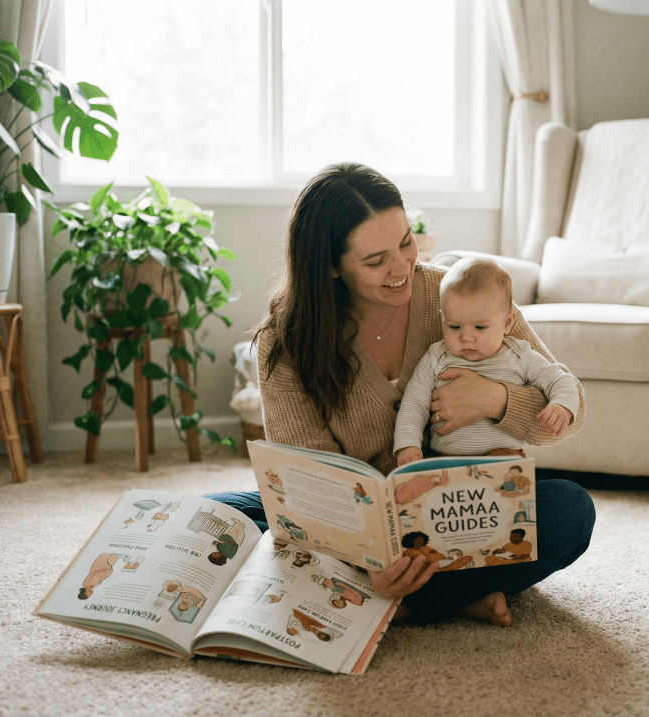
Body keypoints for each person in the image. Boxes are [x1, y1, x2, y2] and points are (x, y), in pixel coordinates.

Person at [205, 162, 595, 627]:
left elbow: (569, 412)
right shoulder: (286, 338)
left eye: (406, 242)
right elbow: (306, 477)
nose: (402, 267)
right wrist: (368, 562)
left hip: (463, 511)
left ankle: (398, 604)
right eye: (375, 261)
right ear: (329, 265)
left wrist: (497, 401)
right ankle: (436, 598)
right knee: (208, 517)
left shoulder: (455, 297)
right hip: (354, 522)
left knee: (570, 511)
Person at [393, 256, 579, 466]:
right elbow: (413, 404)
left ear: (507, 323)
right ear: (442, 319)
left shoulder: (520, 355)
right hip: (446, 458)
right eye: (454, 326)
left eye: (480, 328)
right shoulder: (436, 356)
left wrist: (562, 404)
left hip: (501, 455)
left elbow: (559, 379)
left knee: (553, 489)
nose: (466, 337)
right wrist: (408, 445)